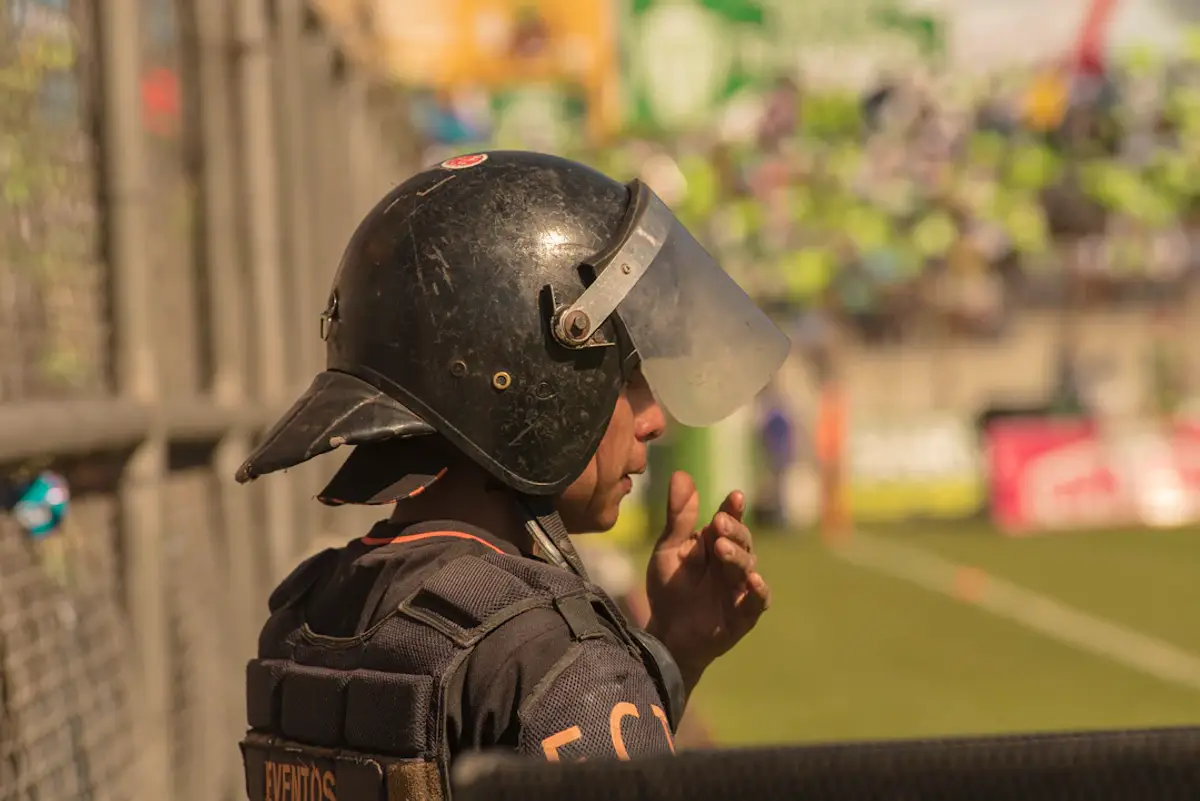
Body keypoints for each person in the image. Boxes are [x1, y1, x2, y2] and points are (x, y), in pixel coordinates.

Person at [234, 151, 791, 801]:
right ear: (531, 379)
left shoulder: (307, 613)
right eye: (628, 377)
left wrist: (671, 650)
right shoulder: (556, 657)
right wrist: (610, 677)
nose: (653, 419)